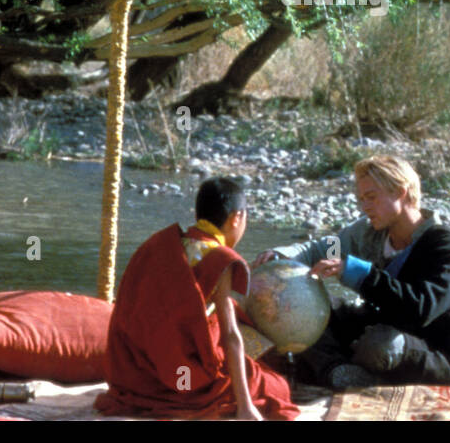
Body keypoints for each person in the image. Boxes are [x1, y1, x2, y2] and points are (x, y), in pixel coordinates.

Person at [256, 155, 450, 389]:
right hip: (378, 327)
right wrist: (280, 256)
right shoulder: (369, 233)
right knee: (307, 308)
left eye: (371, 197)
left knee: (379, 345)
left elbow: (420, 310)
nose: (365, 207)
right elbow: (321, 250)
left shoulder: (447, 247)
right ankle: (338, 371)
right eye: (361, 199)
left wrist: (359, 274)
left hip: (431, 350)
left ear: (401, 192)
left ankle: (343, 371)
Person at [95, 177, 299, 420]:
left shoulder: (162, 245)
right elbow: (230, 334)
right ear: (236, 218)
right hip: (185, 381)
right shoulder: (219, 258)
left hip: (139, 375)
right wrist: (245, 406)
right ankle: (194, 395)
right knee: (275, 385)